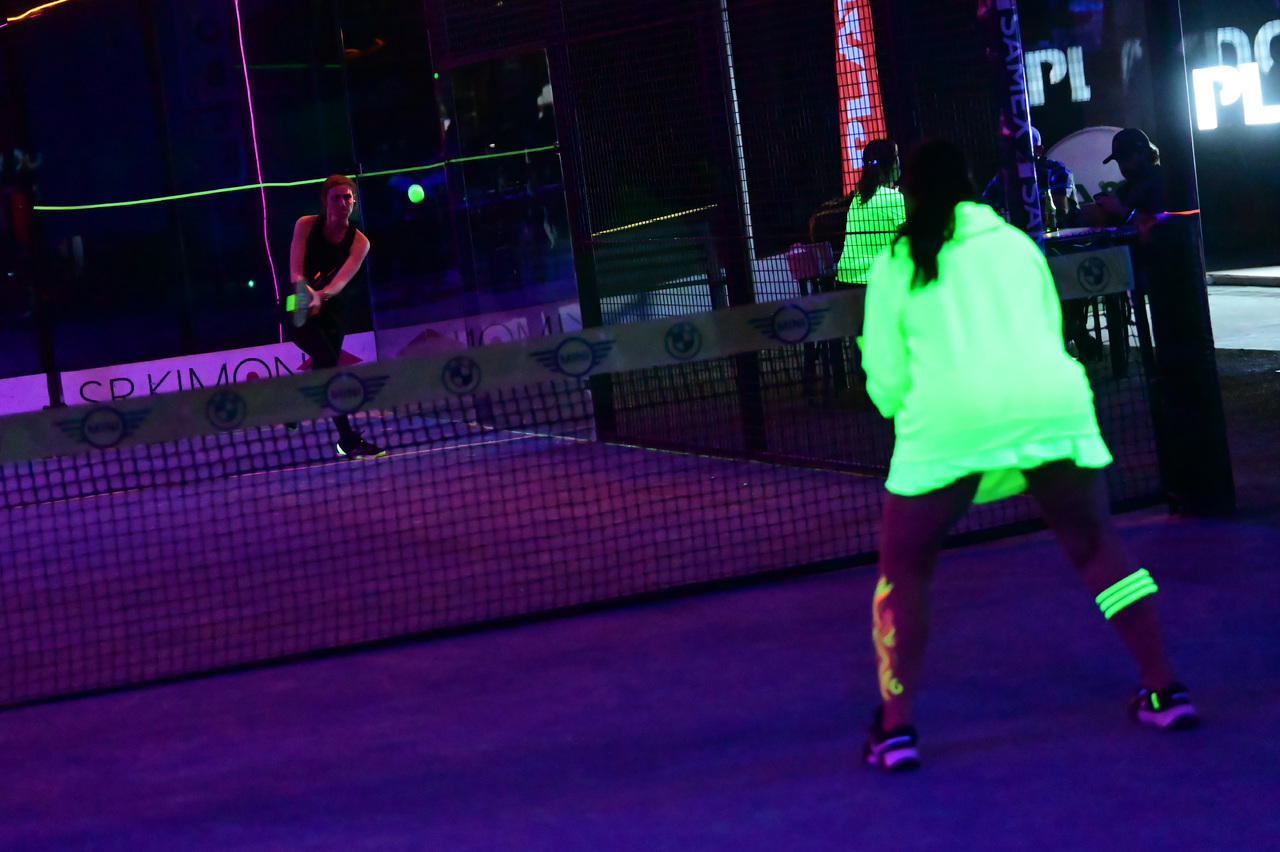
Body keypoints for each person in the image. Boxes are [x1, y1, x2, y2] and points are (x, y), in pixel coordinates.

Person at [858, 140, 1197, 773]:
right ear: (969, 183)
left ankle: (896, 729)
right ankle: (1164, 687)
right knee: (1098, 548)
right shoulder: (1016, 244)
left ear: (911, 193)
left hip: (949, 422)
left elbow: (885, 374)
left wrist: (911, 411)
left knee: (904, 572)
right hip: (1053, 409)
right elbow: (1047, 331)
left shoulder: (897, 261)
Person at [286, 174, 385, 458]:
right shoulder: (305, 225)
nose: (343, 203)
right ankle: (347, 439)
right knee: (327, 362)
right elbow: (295, 272)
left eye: (348, 198)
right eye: (336, 198)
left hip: (333, 309)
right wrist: (306, 293)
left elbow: (341, 281)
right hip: (296, 304)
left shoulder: (360, 242)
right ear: (325, 202)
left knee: (324, 365)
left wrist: (322, 296)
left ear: (354, 202)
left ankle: (293, 406)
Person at [835, 138, 906, 287]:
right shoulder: (893, 198)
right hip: (875, 281)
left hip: (845, 280)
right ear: (891, 164)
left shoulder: (858, 198)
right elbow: (913, 237)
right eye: (896, 157)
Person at [981, 127, 1077, 230]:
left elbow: (1061, 211)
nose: (1016, 155)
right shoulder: (1005, 177)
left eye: (1022, 149)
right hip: (1021, 237)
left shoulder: (1057, 170)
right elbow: (983, 210)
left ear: (1038, 150)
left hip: (1064, 236)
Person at [1088, 127, 1163, 229]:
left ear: (1144, 153)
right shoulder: (1128, 188)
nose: (1123, 165)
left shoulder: (1165, 182)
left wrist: (1123, 212)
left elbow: (1165, 225)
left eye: (1126, 158)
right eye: (1119, 161)